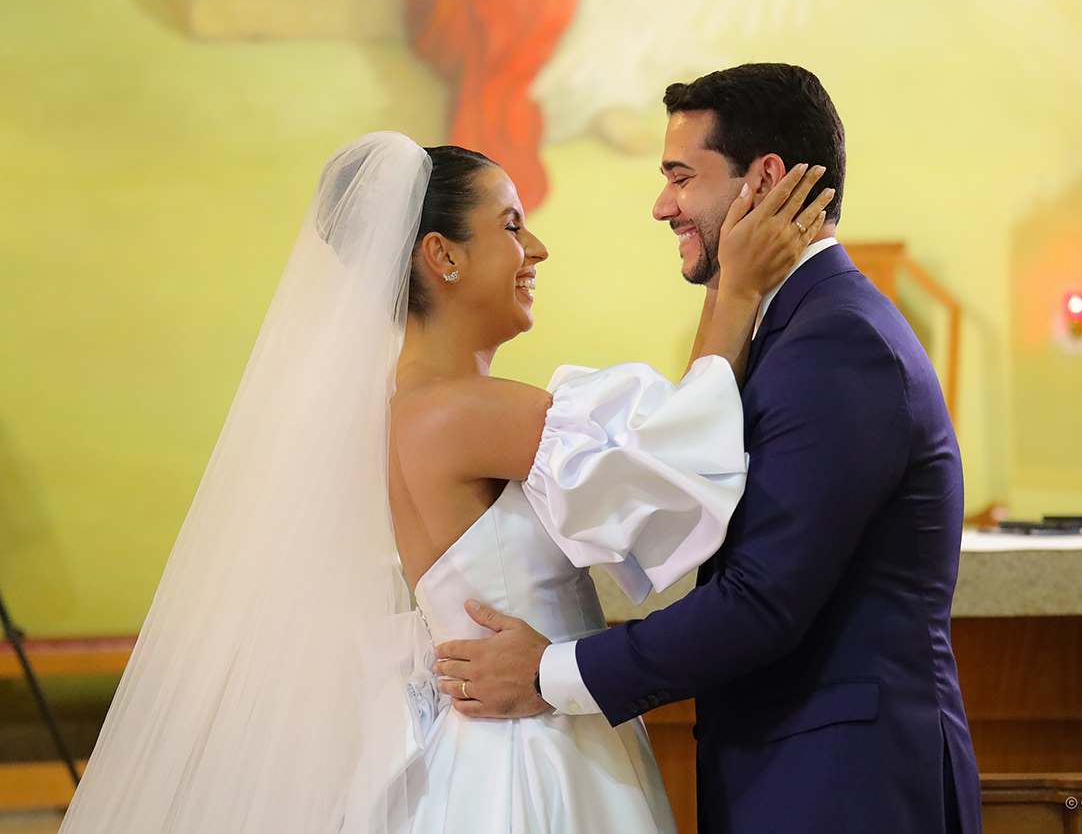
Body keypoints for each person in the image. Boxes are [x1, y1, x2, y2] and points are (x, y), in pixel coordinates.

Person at [56, 131, 830, 833]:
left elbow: (657, 453)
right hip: (530, 759)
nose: (538, 249)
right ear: (443, 256)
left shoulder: (403, 408)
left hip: (479, 743)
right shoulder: (458, 413)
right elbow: (675, 468)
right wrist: (736, 291)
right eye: (512, 226)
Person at [437, 63, 984, 834]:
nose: (663, 206)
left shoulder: (838, 343)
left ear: (764, 180)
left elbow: (761, 603)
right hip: (796, 772)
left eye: (681, 177)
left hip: (845, 785)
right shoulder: (794, 326)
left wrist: (548, 673)